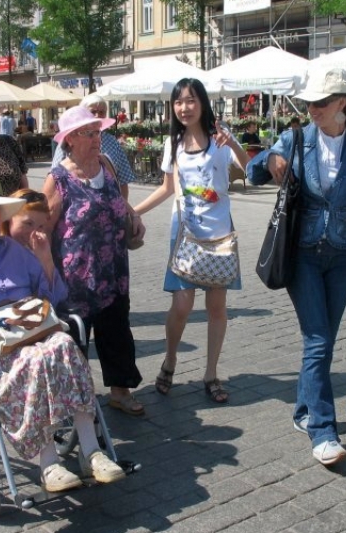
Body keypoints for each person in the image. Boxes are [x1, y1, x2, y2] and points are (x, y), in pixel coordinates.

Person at [0, 186, 126, 491]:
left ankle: (92, 452)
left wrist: (45, 259)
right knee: (36, 359)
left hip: (33, 330)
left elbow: (53, 300)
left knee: (65, 344)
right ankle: (48, 465)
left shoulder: (13, 250)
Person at [260, 68, 346, 466]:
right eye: (309, 103)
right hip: (301, 253)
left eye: (321, 102)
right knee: (318, 341)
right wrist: (272, 157)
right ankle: (323, 431)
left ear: (343, 103)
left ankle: (304, 411)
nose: (313, 109)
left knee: (322, 343)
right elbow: (254, 167)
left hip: (342, 256)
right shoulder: (297, 138)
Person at [133, 78, 250, 404]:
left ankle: (211, 373)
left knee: (216, 307)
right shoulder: (174, 143)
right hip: (183, 233)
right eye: (179, 101)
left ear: (203, 103)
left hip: (220, 235)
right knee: (182, 305)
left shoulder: (220, 138)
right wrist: (132, 211)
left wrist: (234, 145)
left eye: (191, 100)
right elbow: (167, 188)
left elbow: (250, 171)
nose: (184, 107)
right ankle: (170, 358)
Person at [44, 105, 147, 417]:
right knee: (75, 341)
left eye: (97, 131)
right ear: (71, 139)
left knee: (117, 331)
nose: (96, 138)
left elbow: (120, 201)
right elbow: (43, 230)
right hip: (76, 278)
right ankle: (75, 403)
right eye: (88, 133)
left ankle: (120, 391)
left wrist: (133, 216)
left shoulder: (106, 165)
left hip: (114, 270)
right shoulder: (58, 178)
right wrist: (44, 275)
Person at [51, 94, 137, 200]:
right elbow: (55, 176)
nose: (97, 116)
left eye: (102, 112)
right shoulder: (69, 140)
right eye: (93, 112)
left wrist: (123, 210)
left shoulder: (112, 141)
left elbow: (123, 179)